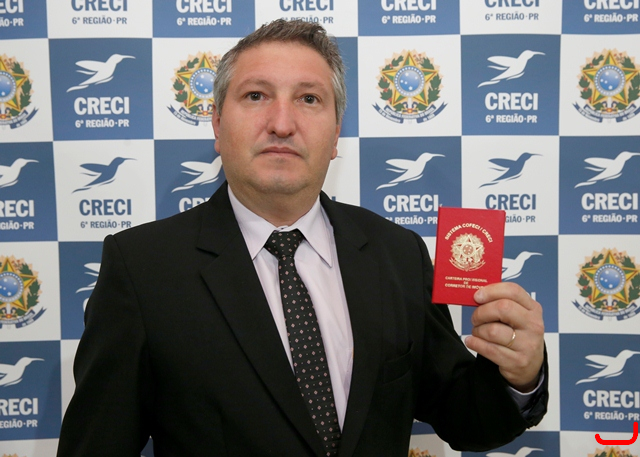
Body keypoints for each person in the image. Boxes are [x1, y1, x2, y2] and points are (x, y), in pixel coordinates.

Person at [57, 19, 547, 457]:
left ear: (335, 135)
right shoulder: (142, 269)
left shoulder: (398, 254)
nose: (282, 124)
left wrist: (520, 376)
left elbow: (465, 419)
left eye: (309, 99)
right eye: (256, 96)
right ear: (217, 124)